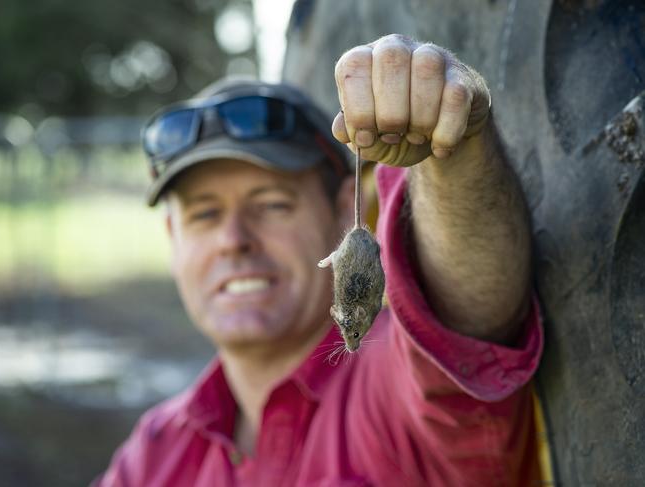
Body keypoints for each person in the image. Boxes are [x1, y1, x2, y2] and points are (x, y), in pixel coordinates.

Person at [95, 34, 543, 486]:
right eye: (205, 215)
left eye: (272, 205)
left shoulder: (400, 381)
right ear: (174, 238)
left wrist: (456, 151)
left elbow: (468, 311)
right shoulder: (152, 454)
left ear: (340, 213)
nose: (233, 240)